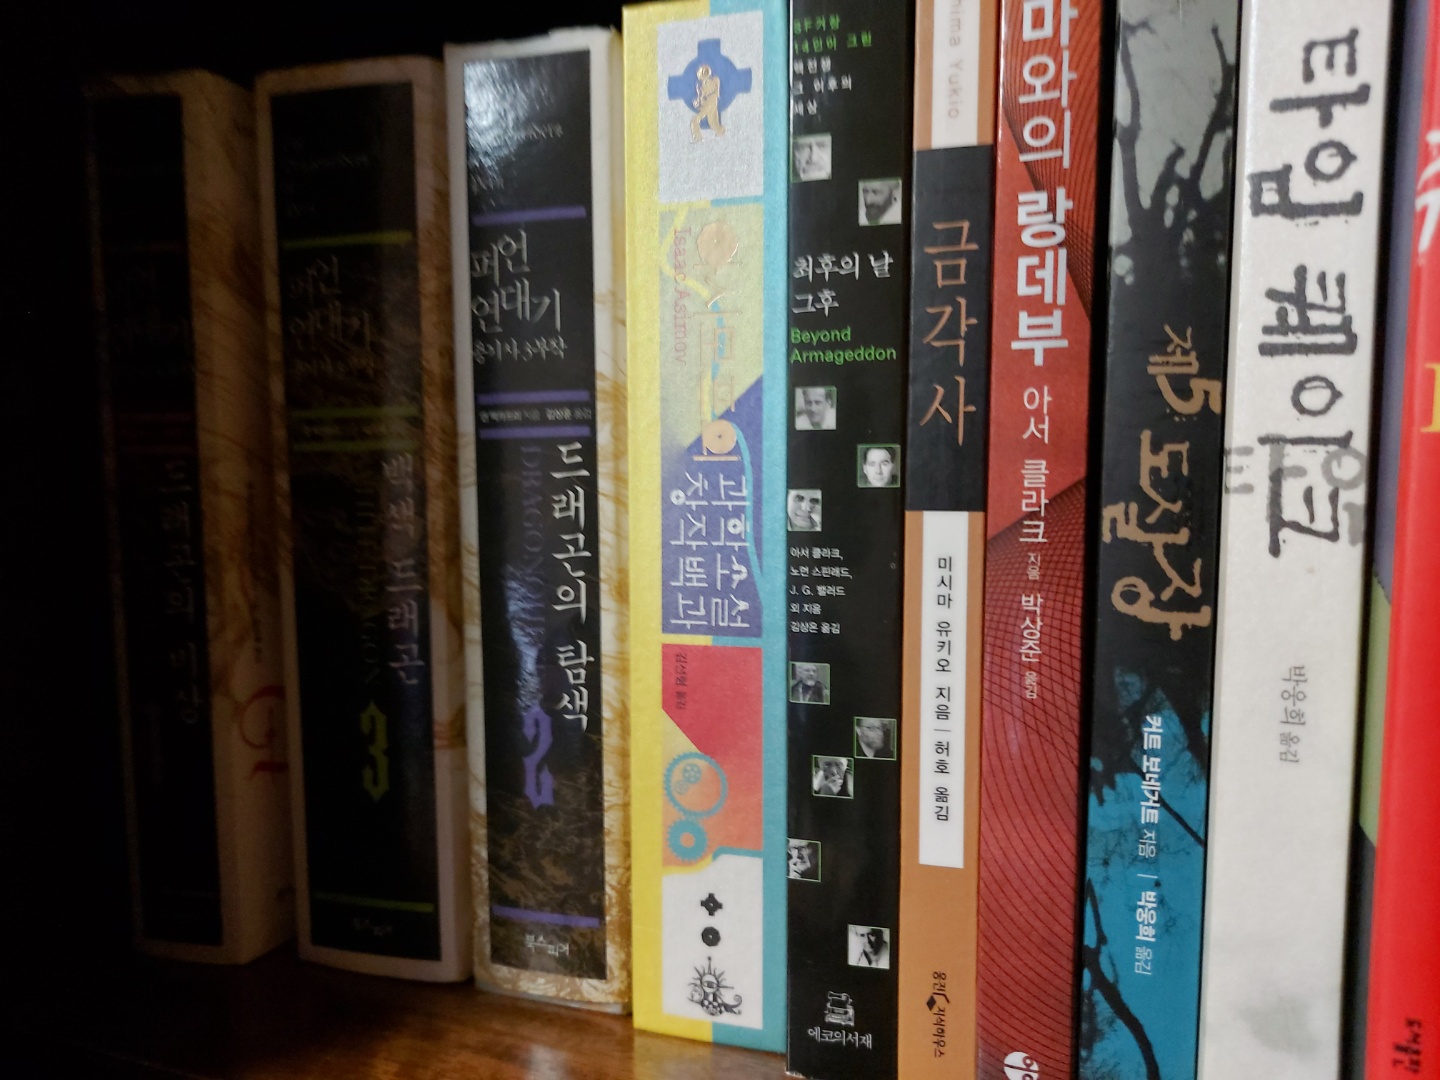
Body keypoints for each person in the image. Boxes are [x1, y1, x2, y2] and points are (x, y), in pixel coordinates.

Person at [691, 63, 724, 142]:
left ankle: (698, 137)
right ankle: (698, 137)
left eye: (699, 72)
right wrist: (697, 102)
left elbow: (711, 94)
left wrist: (701, 96)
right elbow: (701, 98)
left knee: (697, 121)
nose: (698, 74)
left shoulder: (713, 82)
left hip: (710, 106)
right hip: (708, 106)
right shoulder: (702, 86)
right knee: (713, 123)